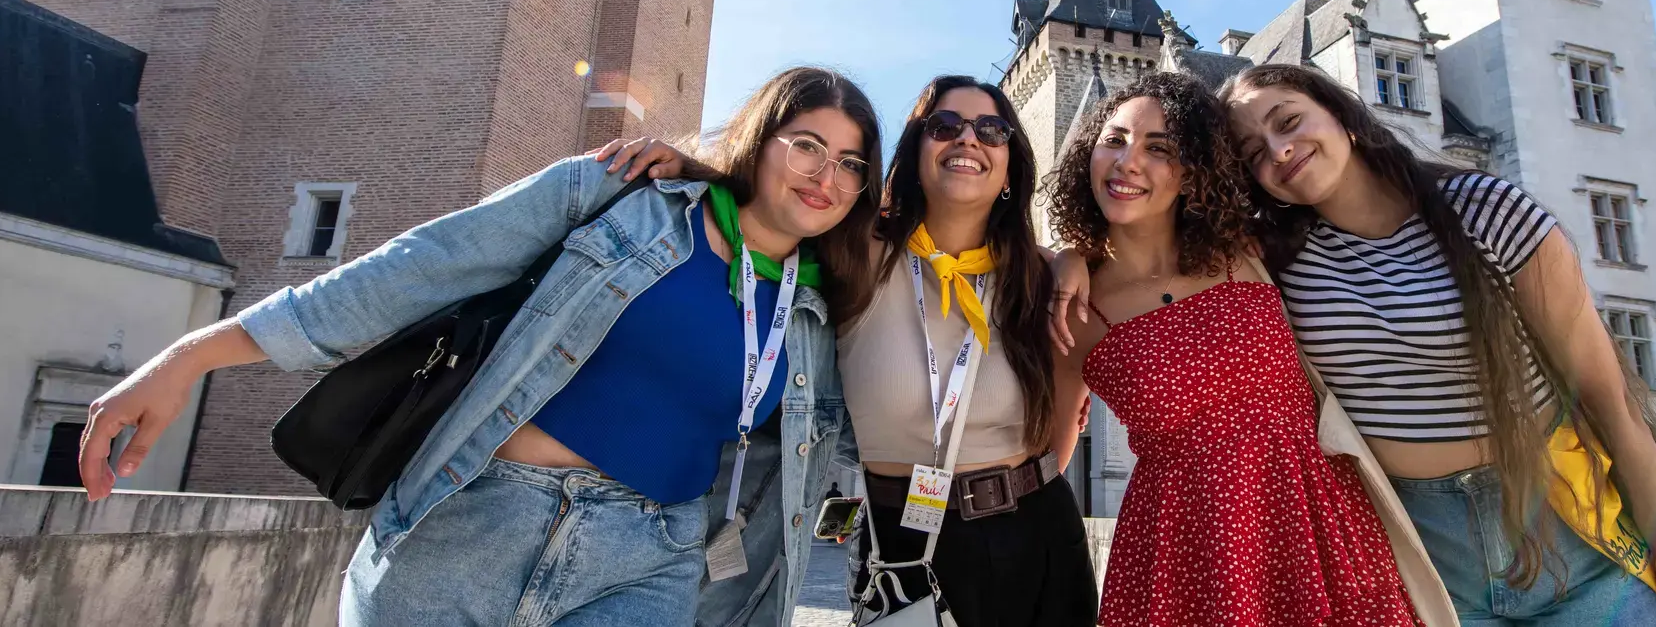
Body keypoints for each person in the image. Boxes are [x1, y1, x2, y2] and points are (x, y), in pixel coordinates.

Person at [76, 67, 885, 626]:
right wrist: (195, 354)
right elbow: (422, 265)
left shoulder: (814, 316)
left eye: (851, 163)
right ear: (760, 139)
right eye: (806, 143)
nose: (826, 174)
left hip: (651, 560)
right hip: (476, 519)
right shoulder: (621, 199)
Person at [595, 75, 1096, 626]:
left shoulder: (1040, 277)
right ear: (914, 150)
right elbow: (768, 207)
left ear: (1010, 163)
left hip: (1037, 529)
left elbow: (1065, 421)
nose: (968, 140)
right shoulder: (854, 249)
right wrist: (693, 169)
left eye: (992, 130)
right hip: (902, 537)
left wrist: (1075, 256)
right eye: (945, 126)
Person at [1042, 72, 1431, 626]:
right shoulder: (1076, 308)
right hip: (1182, 549)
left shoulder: (1250, 250)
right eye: (1114, 140)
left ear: (1194, 169)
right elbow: (1052, 459)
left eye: (1159, 148)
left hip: (1315, 526)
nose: (1128, 161)